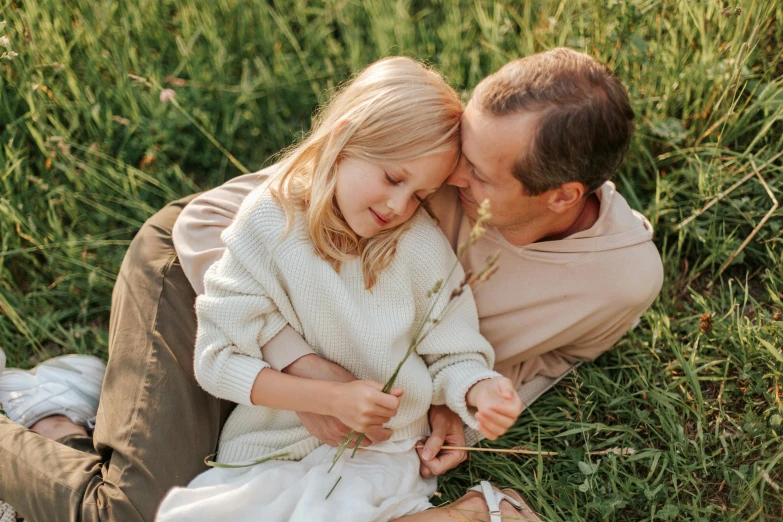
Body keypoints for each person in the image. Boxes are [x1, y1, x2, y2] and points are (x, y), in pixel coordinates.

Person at [0, 47, 663, 522]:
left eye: (480, 174)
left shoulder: (618, 280)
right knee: (130, 512)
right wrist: (307, 370)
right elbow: (207, 224)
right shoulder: (407, 171)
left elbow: (556, 352)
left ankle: (59, 412)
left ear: (562, 196)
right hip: (200, 275)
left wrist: (463, 405)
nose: (455, 176)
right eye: (461, 149)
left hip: (328, 388)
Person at [156, 56, 530, 522]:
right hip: (271, 445)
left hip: (381, 450)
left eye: (418, 195)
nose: (398, 206)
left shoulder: (417, 245)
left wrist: (479, 389)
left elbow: (452, 353)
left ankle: (476, 511)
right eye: (393, 178)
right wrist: (328, 399)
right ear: (343, 138)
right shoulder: (266, 223)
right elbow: (217, 361)